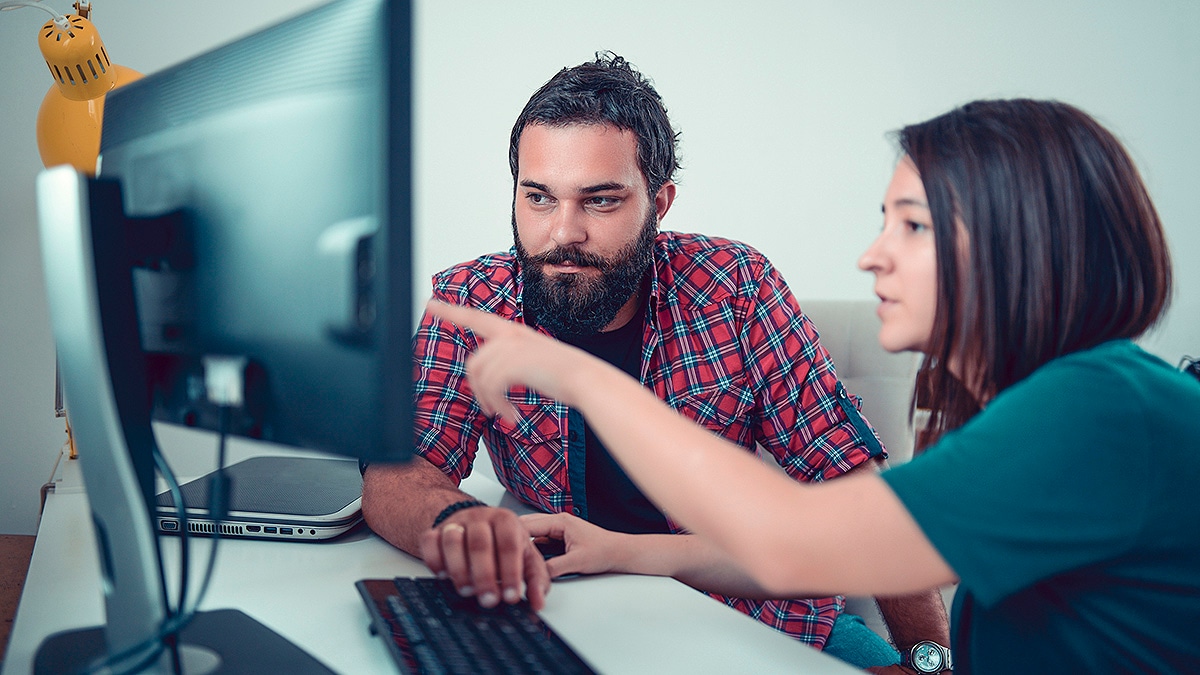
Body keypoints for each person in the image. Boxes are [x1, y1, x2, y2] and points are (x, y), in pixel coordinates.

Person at [425, 98, 1200, 673]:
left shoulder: (1094, 414)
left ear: (1020, 245)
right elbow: (826, 545)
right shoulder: (1069, 401)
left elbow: (796, 539)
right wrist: (626, 550)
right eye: (884, 221)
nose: (872, 256)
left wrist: (577, 375)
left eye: (913, 225)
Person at [361, 52, 949, 669]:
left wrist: (930, 658)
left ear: (659, 203)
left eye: (601, 201)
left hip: (754, 617)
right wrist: (459, 522)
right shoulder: (472, 302)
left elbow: (857, 487)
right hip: (573, 617)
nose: (563, 233)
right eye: (538, 198)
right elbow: (398, 473)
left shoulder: (735, 288)